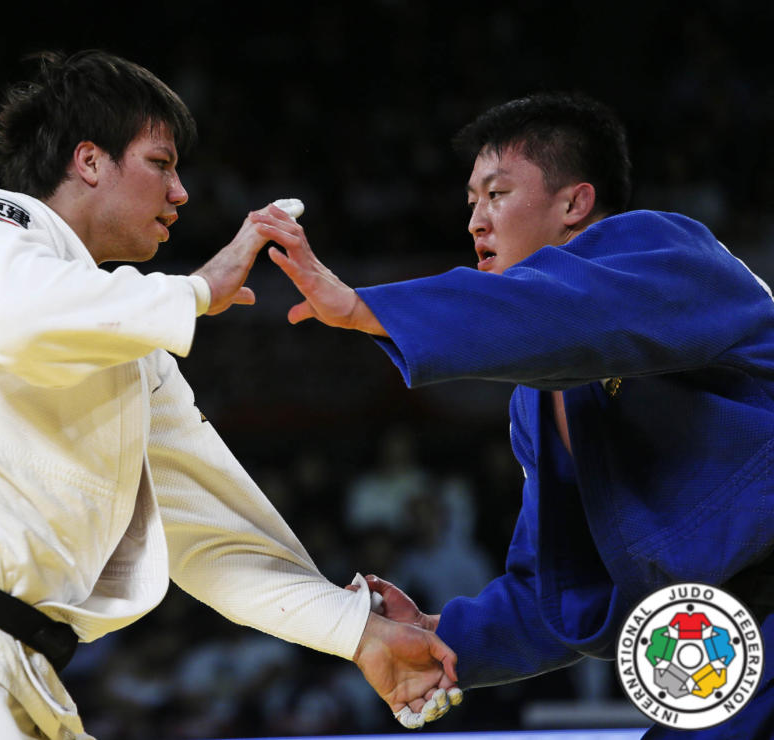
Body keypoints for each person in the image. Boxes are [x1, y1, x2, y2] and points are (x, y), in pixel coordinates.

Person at [0, 50, 459, 739]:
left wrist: (359, 633)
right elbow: (18, 317)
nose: (181, 194)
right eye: (160, 163)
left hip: (16, 667)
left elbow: (213, 531)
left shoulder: (129, 340)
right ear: (88, 160)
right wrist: (198, 290)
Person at [266, 91, 774, 738]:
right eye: (470, 203)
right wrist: (441, 636)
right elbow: (552, 587)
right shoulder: (539, 397)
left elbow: (577, 313)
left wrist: (365, 306)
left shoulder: (670, 254)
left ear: (574, 203)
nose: (476, 222)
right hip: (716, 639)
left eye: (497, 195)